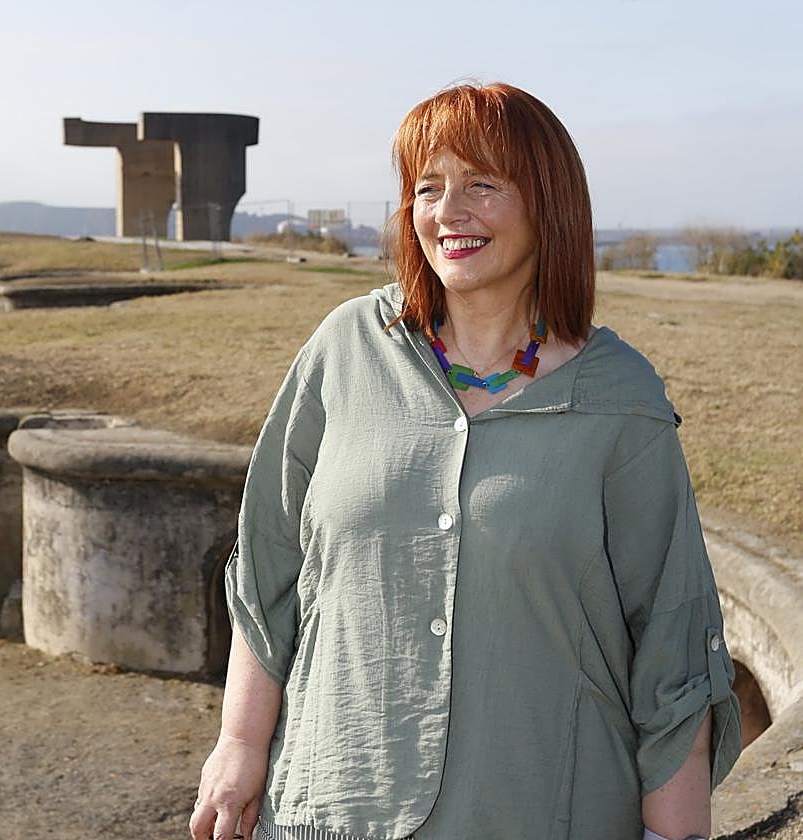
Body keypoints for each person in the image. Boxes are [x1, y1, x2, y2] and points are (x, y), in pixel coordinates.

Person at [190, 82, 743, 840]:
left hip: (546, 810)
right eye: (427, 187)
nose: (448, 211)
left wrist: (672, 835)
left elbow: (672, 647)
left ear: (548, 202)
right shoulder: (343, 350)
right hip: (333, 804)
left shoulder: (621, 400)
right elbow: (268, 567)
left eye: (481, 184)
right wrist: (239, 743)